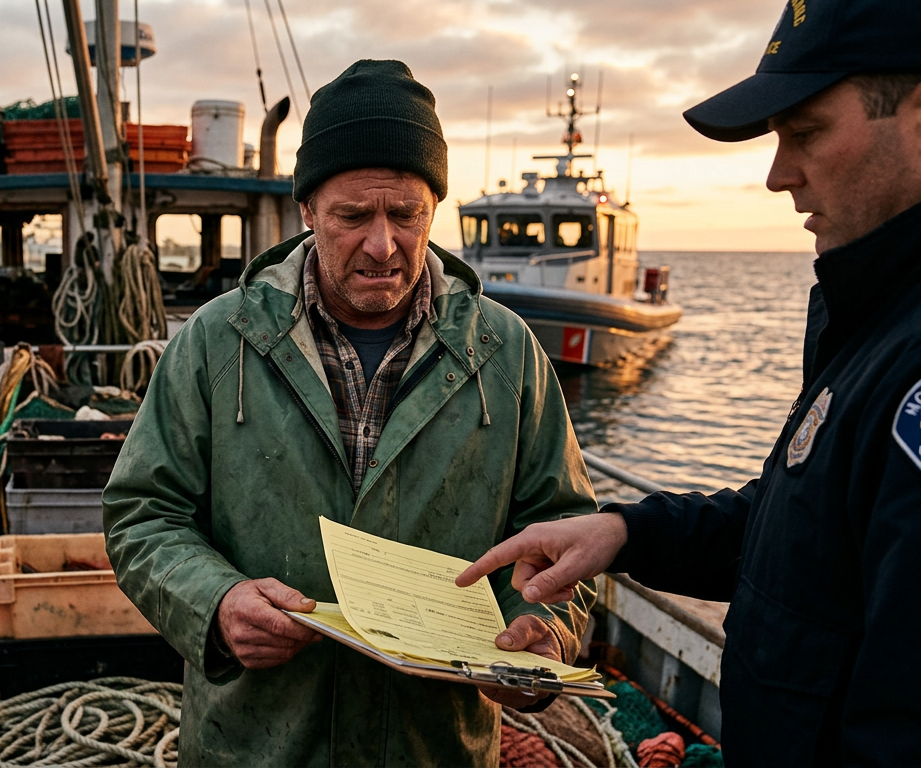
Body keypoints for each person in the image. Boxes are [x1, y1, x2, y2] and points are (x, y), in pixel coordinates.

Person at [456, 2, 921, 764]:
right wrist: (625, 532)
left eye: (806, 133)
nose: (778, 176)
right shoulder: (872, 323)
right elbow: (798, 531)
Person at [103, 59, 598, 767]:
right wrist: (214, 601)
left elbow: (559, 535)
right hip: (253, 745)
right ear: (307, 210)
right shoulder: (217, 342)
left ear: (435, 207)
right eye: (352, 216)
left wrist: (542, 633)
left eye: (406, 214)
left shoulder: (507, 353)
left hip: (435, 750)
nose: (382, 244)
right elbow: (142, 513)